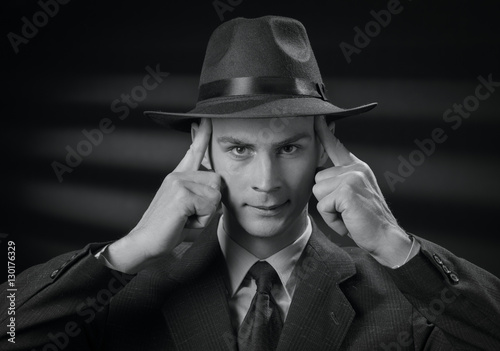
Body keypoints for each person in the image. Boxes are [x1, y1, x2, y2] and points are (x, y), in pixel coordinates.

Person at [1, 15, 499, 351]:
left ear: (325, 150)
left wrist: (396, 245)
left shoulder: (406, 299)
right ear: (202, 146)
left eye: (289, 148)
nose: (266, 182)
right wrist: (125, 252)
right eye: (240, 148)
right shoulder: (119, 294)